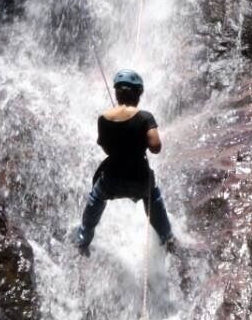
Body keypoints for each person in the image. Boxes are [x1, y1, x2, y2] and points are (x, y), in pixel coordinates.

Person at [72, 69, 175, 256]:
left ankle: (83, 239)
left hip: (112, 180)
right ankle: (167, 238)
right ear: (138, 93)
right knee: (153, 197)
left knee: (96, 198)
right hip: (139, 180)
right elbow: (156, 147)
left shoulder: (103, 119)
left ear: (117, 93)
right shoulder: (145, 117)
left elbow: (105, 147)